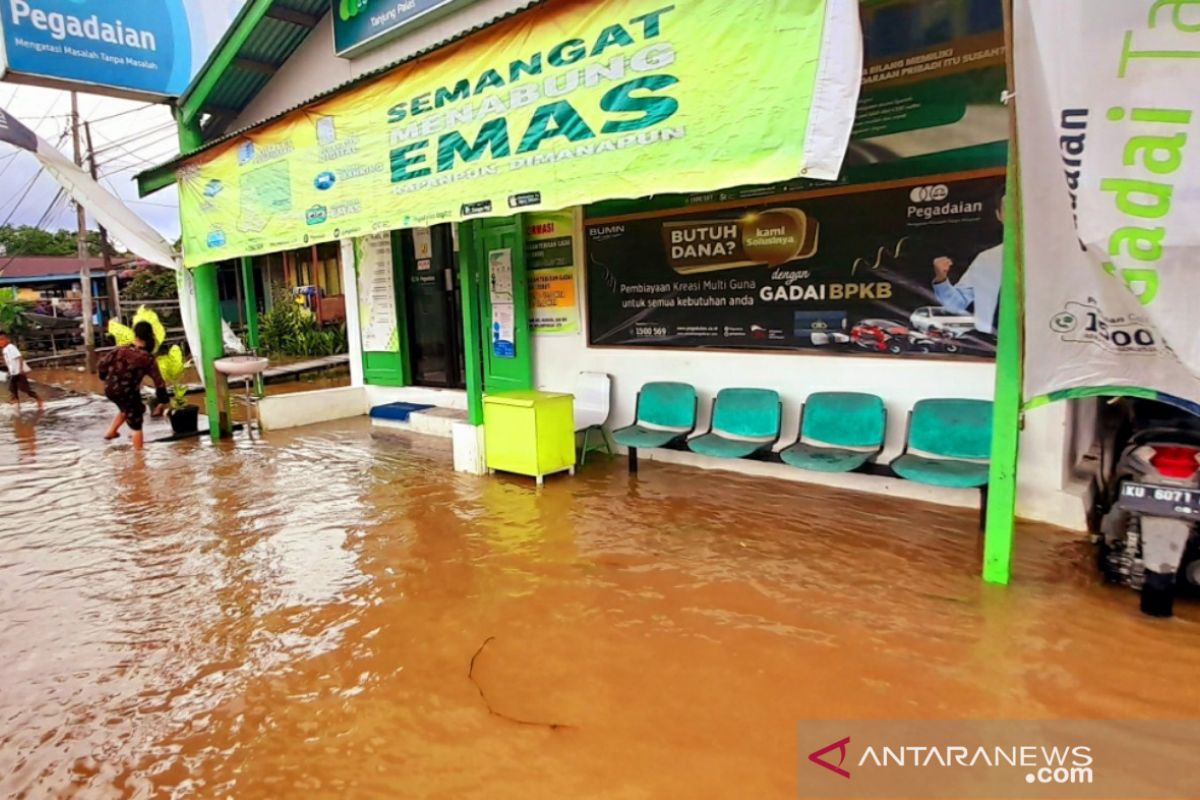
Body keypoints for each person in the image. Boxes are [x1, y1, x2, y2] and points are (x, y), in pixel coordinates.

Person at [931, 189, 1004, 335]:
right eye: (1009, 209)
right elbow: (956, 304)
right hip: (992, 344)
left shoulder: (1051, 256)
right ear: (999, 215)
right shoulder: (987, 259)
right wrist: (941, 279)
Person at [98, 320, 168, 450]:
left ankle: (111, 432)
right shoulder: (147, 358)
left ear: (135, 334)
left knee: (129, 408)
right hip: (128, 391)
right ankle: (139, 459)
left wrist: (103, 376)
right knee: (136, 423)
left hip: (110, 388)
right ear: (150, 336)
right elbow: (159, 382)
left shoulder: (120, 350)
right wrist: (163, 400)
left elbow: (102, 364)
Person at [1, 332, 43, 412]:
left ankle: (39, 399)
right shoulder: (4, 350)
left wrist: (21, 369)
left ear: (7, 339)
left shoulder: (11, 347)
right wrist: (9, 370)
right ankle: (17, 405)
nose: (1, 342)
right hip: (13, 373)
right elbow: (8, 362)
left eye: (2, 339)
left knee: (25, 389)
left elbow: (19, 357)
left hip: (18, 372)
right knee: (13, 389)